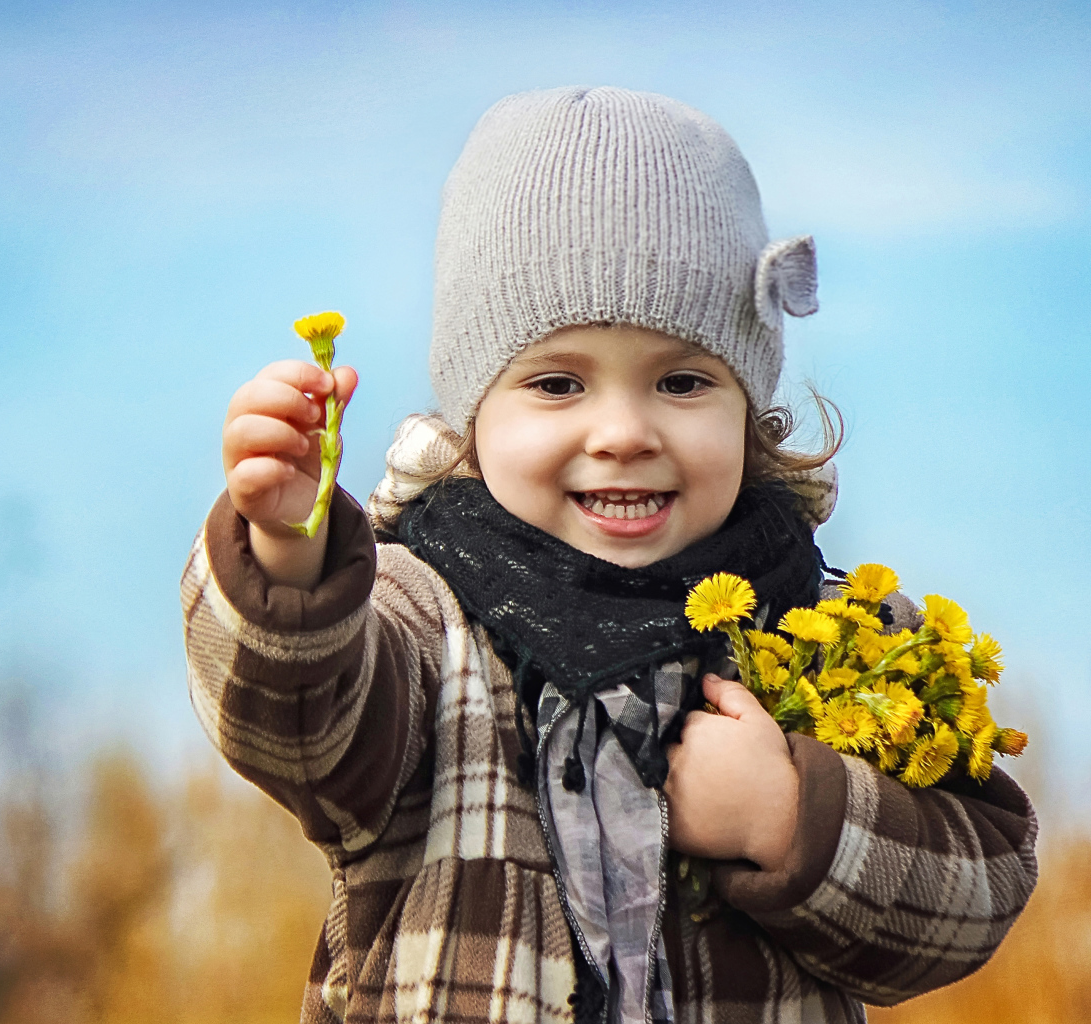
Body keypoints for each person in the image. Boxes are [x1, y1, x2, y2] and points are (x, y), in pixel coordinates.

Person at [180, 87, 1037, 1024]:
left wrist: (790, 821)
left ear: (748, 407)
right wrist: (289, 560)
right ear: (474, 416)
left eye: (681, 380)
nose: (623, 431)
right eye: (556, 384)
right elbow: (298, 732)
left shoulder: (830, 633)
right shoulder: (420, 615)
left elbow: (976, 891)